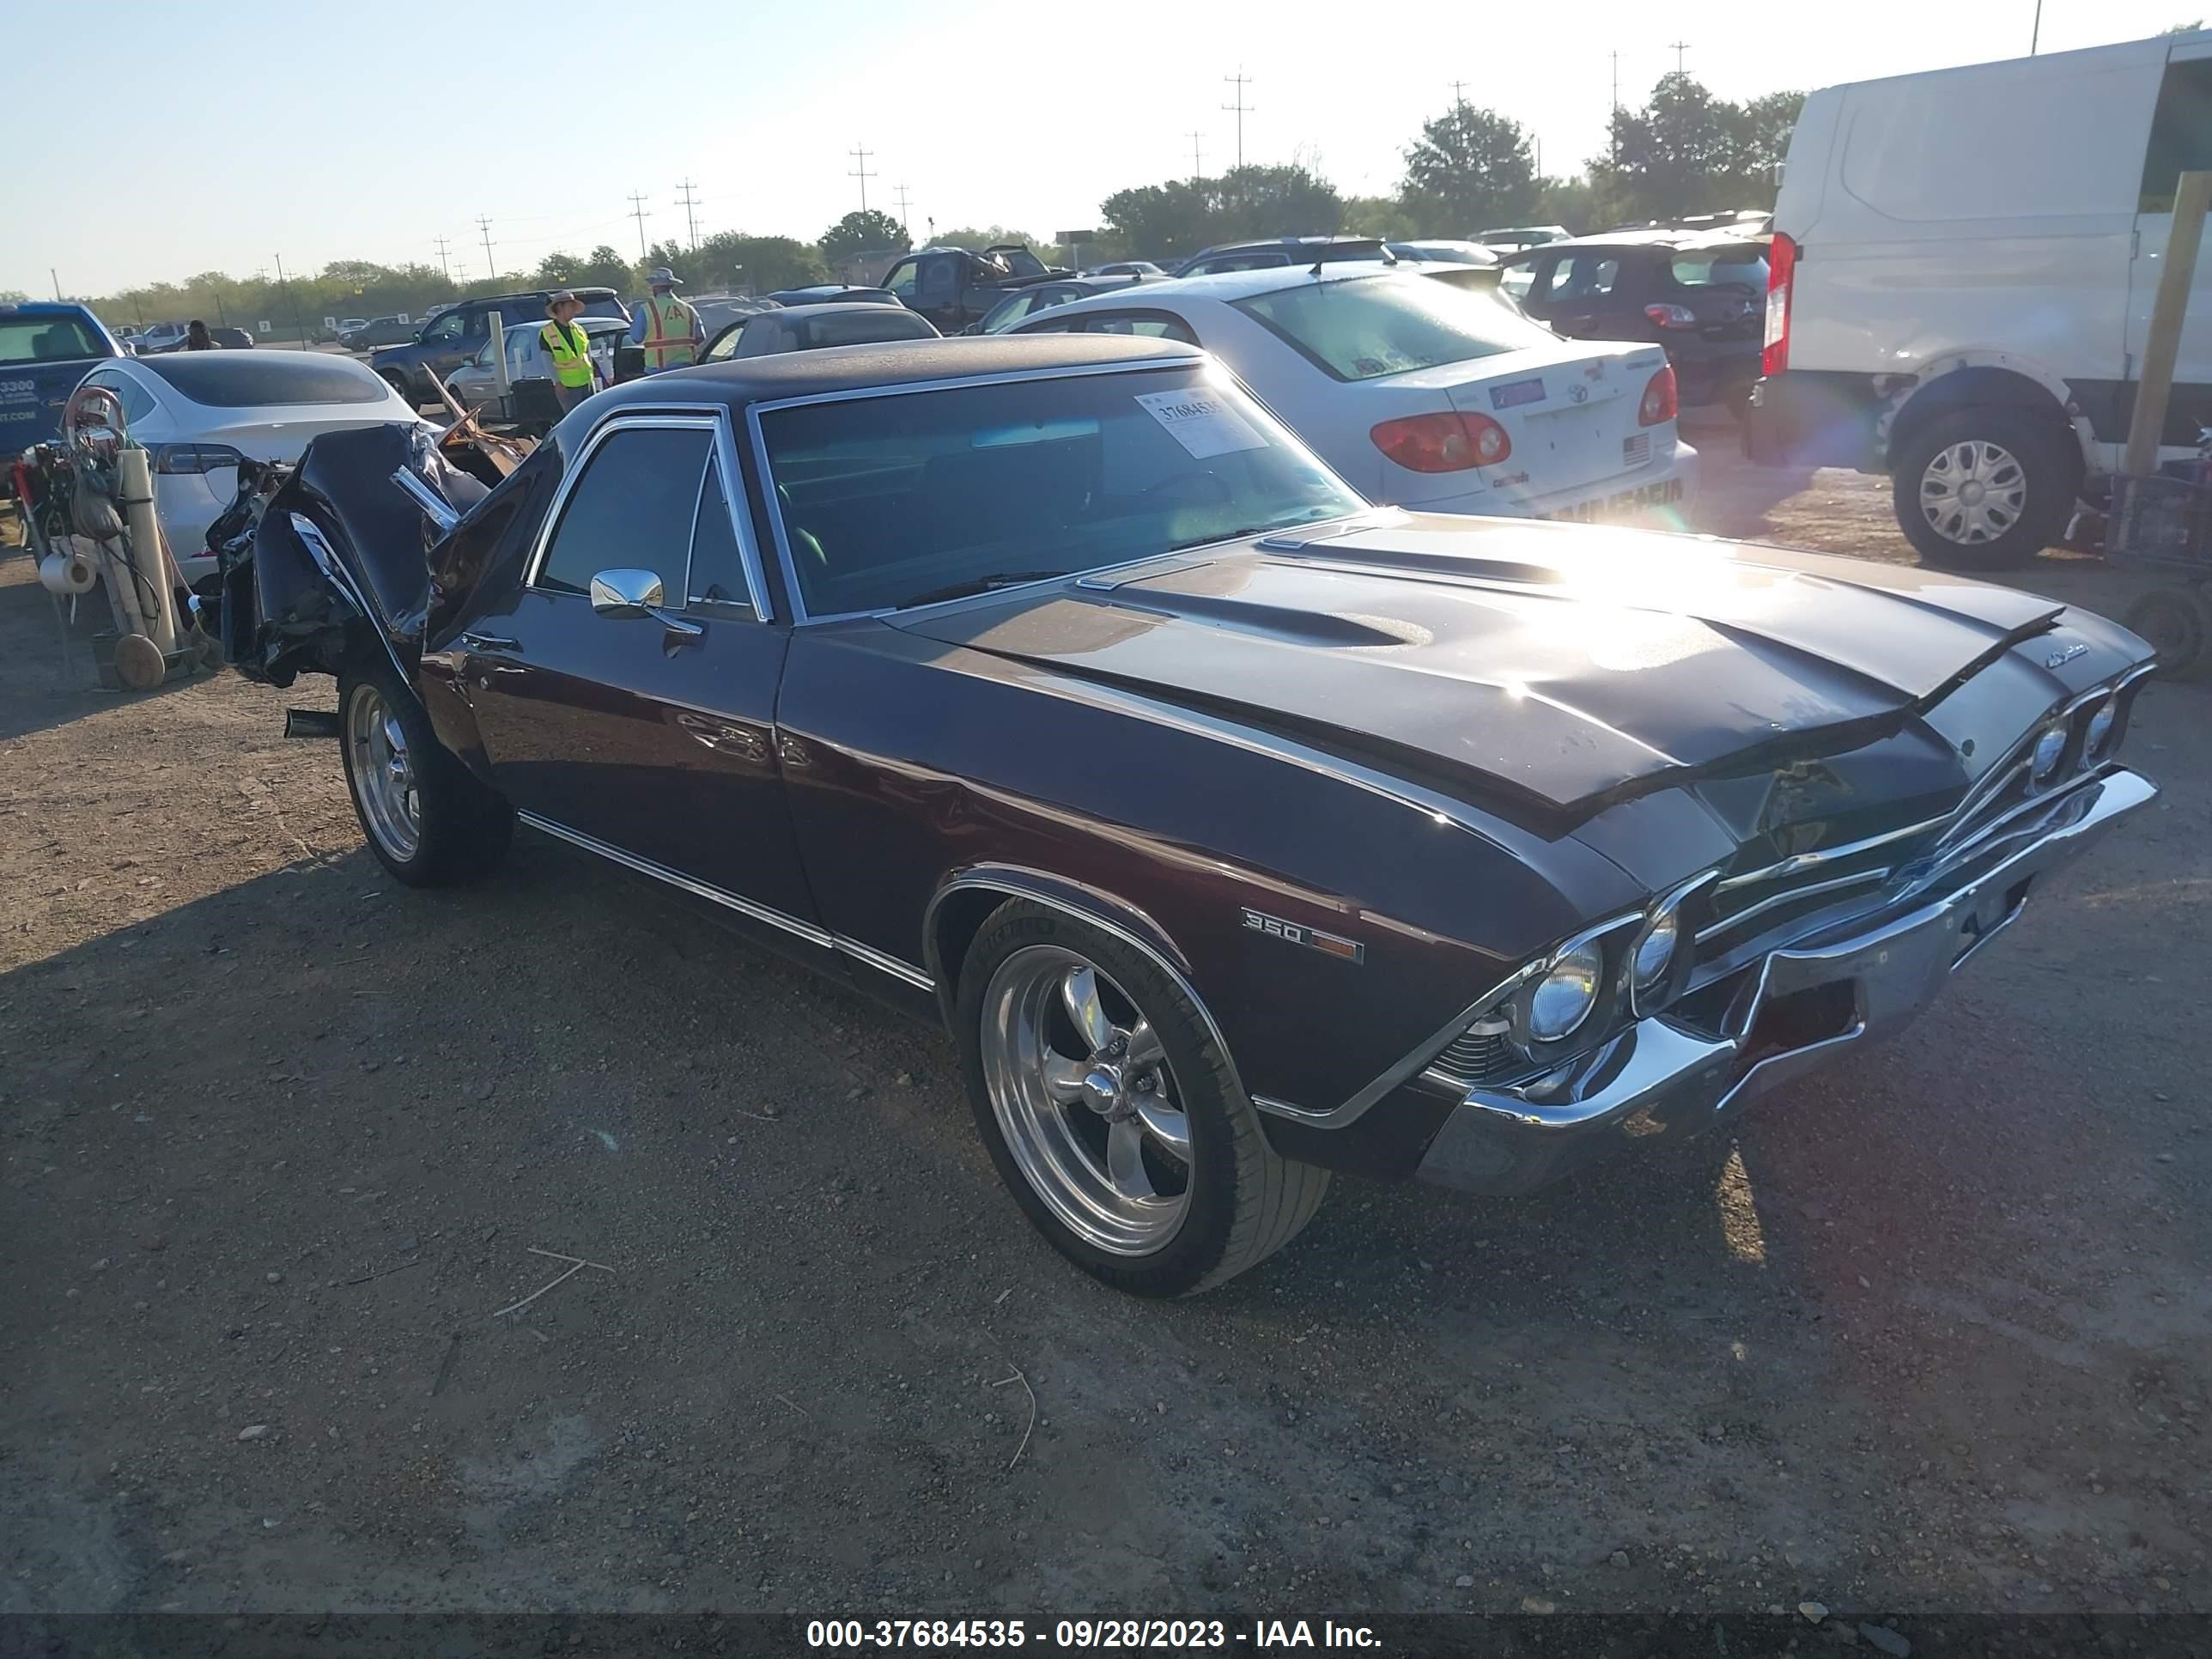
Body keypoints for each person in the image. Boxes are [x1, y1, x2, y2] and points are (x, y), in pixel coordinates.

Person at [629, 267, 703, 373]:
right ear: (672, 285)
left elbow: (636, 338)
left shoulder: (647, 309)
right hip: (686, 367)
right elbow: (700, 337)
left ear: (654, 287)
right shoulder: (688, 309)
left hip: (657, 369)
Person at [539, 292, 597, 414]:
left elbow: (587, 354)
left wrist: (593, 379)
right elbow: (547, 360)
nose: (574, 311)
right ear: (559, 307)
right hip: (568, 386)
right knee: (574, 418)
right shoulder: (547, 332)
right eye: (570, 307)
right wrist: (557, 383)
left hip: (587, 382)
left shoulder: (579, 329)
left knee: (591, 416)